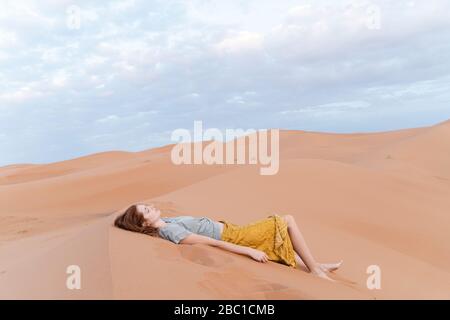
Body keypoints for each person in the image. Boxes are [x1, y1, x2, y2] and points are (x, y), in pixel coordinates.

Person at [114, 203, 342, 280]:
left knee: (281, 227)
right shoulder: (171, 231)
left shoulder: (165, 221)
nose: (151, 206)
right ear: (144, 224)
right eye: (147, 210)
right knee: (286, 221)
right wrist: (247, 251)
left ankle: (316, 265)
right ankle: (314, 270)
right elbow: (208, 242)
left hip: (232, 229)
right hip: (234, 237)